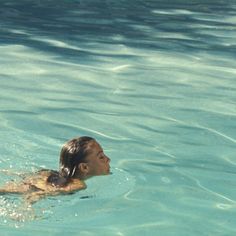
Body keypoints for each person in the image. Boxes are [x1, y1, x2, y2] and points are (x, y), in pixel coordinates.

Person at [0, 136, 111, 204]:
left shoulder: (56, 174)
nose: (108, 159)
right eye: (101, 157)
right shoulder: (79, 185)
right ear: (84, 167)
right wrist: (35, 197)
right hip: (40, 187)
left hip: (47, 176)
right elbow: (50, 192)